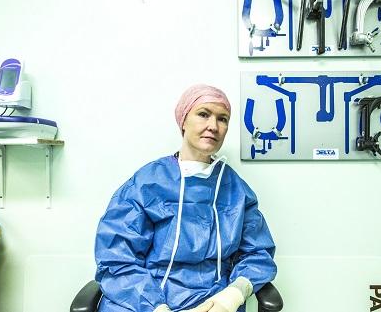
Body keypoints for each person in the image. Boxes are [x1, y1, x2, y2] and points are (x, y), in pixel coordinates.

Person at [95, 84, 277, 312]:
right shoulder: (147, 183)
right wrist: (156, 307)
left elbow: (258, 254)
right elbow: (117, 258)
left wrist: (232, 296)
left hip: (212, 302)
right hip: (143, 302)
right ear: (183, 121)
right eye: (203, 114)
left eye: (223, 119)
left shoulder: (236, 190)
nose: (214, 126)